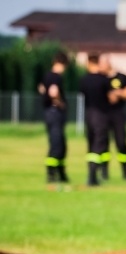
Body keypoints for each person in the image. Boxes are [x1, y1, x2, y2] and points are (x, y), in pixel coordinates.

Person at [79, 53, 113, 187]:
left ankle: (91, 173)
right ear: (98, 62)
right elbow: (111, 98)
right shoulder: (104, 80)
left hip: (89, 114)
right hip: (101, 114)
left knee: (91, 143)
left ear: (88, 63)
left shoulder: (84, 80)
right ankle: (93, 175)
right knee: (99, 144)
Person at [99, 54, 126, 179]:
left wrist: (118, 93)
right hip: (103, 114)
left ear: (108, 63)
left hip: (118, 114)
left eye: (102, 63)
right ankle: (104, 171)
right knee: (103, 143)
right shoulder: (99, 78)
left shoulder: (121, 77)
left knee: (121, 141)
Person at [39, 50, 69, 185]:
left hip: (48, 112)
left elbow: (41, 88)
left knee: (58, 142)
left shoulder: (46, 76)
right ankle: (52, 174)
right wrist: (60, 103)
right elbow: (53, 92)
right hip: (55, 112)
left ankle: (60, 174)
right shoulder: (56, 77)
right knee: (57, 144)